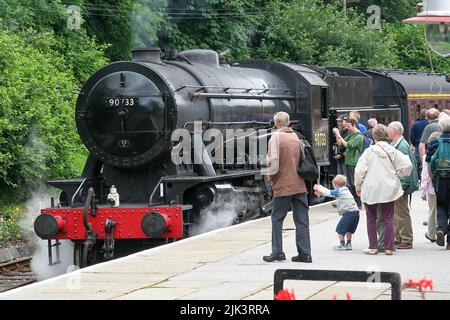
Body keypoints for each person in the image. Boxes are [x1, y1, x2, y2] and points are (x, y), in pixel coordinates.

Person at [354, 124, 413, 255]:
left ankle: (373, 247)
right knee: (388, 218)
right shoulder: (392, 151)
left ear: (374, 136)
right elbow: (408, 165)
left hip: (371, 188)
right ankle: (389, 247)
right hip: (388, 187)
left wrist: (358, 187)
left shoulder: (368, 152)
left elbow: (359, 172)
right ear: (386, 136)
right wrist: (399, 173)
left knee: (371, 218)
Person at [263, 111, 312, 263]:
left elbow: (273, 161)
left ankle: (277, 252)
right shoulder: (297, 137)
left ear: (276, 123)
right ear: (289, 122)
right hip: (300, 185)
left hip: (283, 186)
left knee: (277, 218)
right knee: (302, 220)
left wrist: (271, 178)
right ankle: (305, 254)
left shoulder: (276, 137)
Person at [388, 121, 419, 249]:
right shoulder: (400, 144)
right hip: (400, 185)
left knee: (402, 213)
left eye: (389, 129)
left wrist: (403, 187)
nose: (387, 132)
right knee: (397, 213)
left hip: (402, 186)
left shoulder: (401, 147)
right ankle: (399, 237)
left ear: (394, 131)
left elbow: (406, 169)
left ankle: (406, 239)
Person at [313, 175, 360, 251]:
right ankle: (349, 244)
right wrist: (321, 193)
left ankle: (342, 245)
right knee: (349, 230)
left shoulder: (339, 190)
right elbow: (331, 193)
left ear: (336, 185)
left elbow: (330, 192)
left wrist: (319, 187)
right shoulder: (345, 190)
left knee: (339, 230)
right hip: (356, 213)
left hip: (349, 214)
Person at [425, 113, 450, 249]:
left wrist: (432, 178)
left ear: (440, 127)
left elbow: (428, 162)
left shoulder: (434, 142)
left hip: (440, 179)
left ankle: (440, 229)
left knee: (441, 205)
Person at [333, 118, 364, 208]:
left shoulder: (358, 136)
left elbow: (348, 145)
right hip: (349, 162)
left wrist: (339, 135)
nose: (348, 128)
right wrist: (337, 135)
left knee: (354, 183)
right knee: (350, 183)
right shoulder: (352, 135)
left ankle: (358, 203)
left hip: (354, 162)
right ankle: (354, 201)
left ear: (354, 125)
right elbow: (340, 143)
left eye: (349, 126)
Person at [421, 132, 441, 243]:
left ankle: (432, 233)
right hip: (443, 184)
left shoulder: (426, 157)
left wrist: (423, 192)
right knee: (443, 209)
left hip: (432, 188)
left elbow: (425, 176)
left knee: (432, 210)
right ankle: (442, 228)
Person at [410, 109, 429, 176]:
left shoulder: (415, 124)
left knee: (418, 162)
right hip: (428, 145)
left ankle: (419, 177)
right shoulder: (429, 124)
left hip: (418, 146)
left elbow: (411, 136)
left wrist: (415, 144)